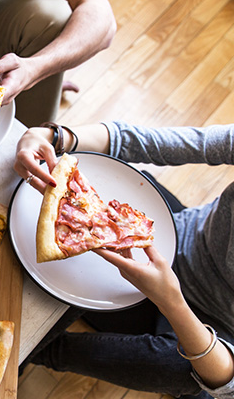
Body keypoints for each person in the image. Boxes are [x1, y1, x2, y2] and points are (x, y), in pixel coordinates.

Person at [13, 121, 234, 398]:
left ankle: (43, 352)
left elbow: (229, 385)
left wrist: (170, 301)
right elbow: (150, 140)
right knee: (132, 183)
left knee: (181, 375)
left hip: (216, 332)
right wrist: (56, 136)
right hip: (178, 237)